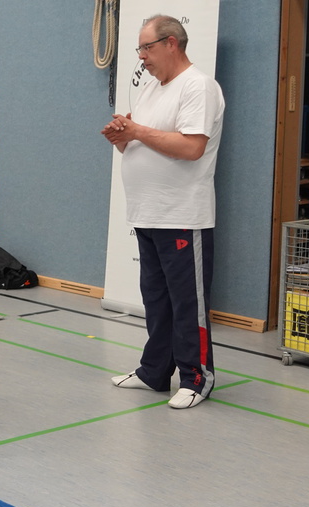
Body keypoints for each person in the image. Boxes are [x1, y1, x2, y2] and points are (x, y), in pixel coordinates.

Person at [102, 14, 224, 410]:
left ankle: (197, 378)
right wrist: (122, 137)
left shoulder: (198, 87)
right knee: (156, 300)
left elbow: (192, 147)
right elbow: (139, 143)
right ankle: (154, 371)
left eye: (146, 47)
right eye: (139, 48)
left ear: (171, 43)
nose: (141, 56)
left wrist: (137, 132)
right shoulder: (151, 89)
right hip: (147, 213)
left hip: (183, 215)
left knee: (188, 303)